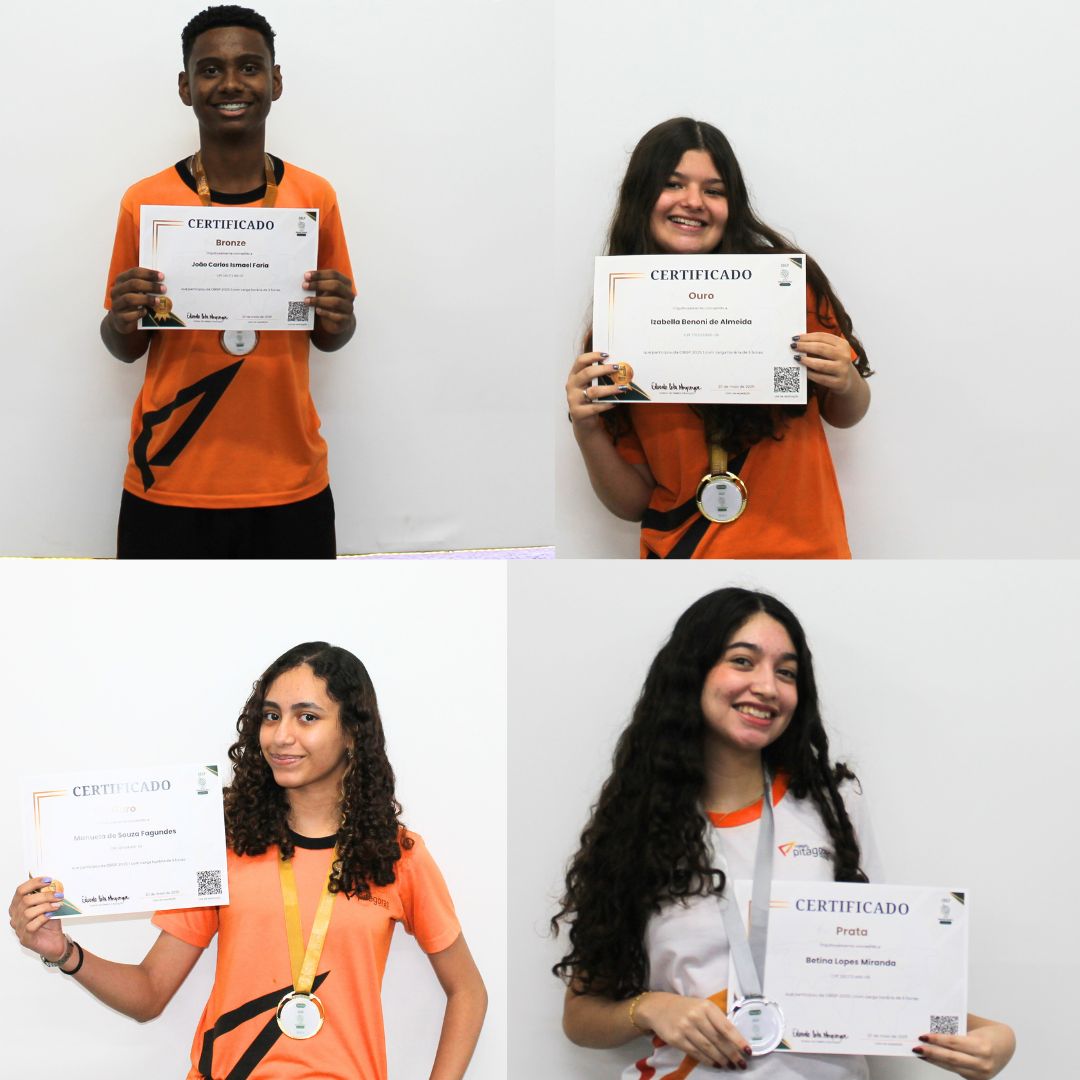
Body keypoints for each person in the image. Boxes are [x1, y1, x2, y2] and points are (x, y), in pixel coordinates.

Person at [552, 588, 1015, 1078]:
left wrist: (991, 1035)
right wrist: (649, 1007)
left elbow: (874, 970)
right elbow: (580, 1018)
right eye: (743, 661)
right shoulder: (640, 821)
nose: (768, 687)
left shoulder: (833, 806)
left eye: (787, 672)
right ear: (693, 672)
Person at [10, 642, 487, 1080]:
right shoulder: (221, 845)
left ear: (352, 734)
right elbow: (149, 993)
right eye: (271, 715)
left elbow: (468, 991)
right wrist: (63, 951)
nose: (281, 736)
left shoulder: (395, 855)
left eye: (307, 717)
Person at [102, 6, 356, 559]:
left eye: (250, 66)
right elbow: (125, 347)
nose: (232, 83)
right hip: (167, 476)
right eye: (211, 69)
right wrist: (120, 319)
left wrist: (340, 317)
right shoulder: (145, 202)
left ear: (276, 81)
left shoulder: (313, 198)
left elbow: (329, 337)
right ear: (185, 87)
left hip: (290, 478)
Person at [565, 118, 871, 559]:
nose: (693, 202)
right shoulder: (616, 329)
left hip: (808, 550)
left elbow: (846, 414)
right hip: (684, 555)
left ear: (733, 204)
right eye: (673, 184)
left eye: (714, 190)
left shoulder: (786, 287)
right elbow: (632, 503)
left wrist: (847, 380)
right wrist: (587, 428)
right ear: (641, 195)